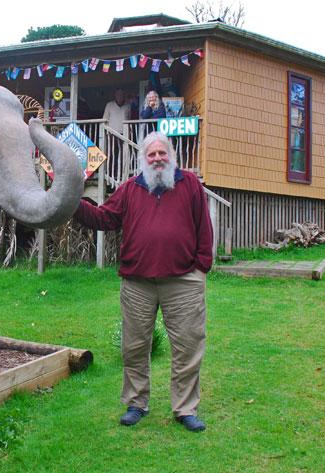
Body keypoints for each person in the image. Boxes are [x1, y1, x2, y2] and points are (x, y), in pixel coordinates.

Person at [73, 131, 213, 432]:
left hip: (183, 281)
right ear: (143, 159)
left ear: (171, 156)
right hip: (137, 283)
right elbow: (103, 219)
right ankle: (137, 403)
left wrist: (201, 269)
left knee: (188, 346)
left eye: (162, 153)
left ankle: (185, 408)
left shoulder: (190, 185)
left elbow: (204, 228)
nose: (158, 158)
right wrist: (71, 198)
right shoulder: (130, 189)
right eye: (152, 154)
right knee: (135, 346)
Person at [102, 88, 131, 180]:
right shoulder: (109, 105)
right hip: (111, 134)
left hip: (123, 134)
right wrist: (105, 133)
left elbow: (129, 120)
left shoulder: (127, 106)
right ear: (115, 95)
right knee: (111, 154)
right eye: (118, 94)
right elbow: (104, 119)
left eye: (121, 94)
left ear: (124, 95)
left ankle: (121, 174)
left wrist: (129, 132)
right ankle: (110, 174)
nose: (119, 96)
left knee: (123, 155)